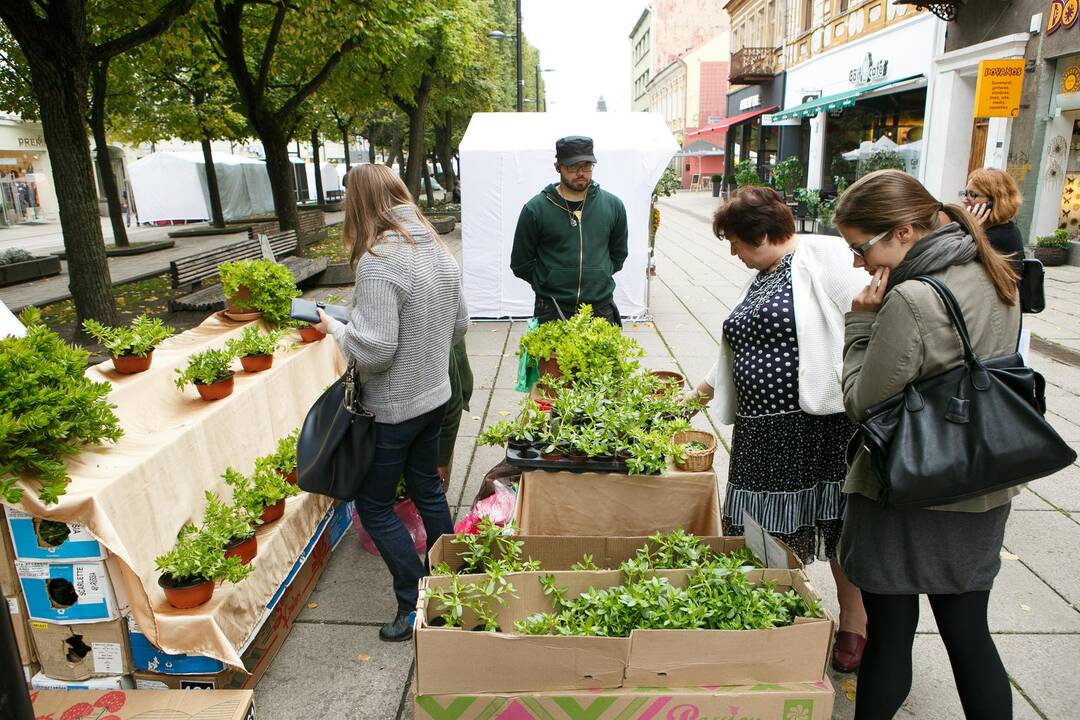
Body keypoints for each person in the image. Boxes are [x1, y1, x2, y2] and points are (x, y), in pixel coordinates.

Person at [834, 169, 1020, 719]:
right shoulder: (996, 270)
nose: (858, 264)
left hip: (908, 488)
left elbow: (863, 402)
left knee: (891, 636)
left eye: (861, 248)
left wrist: (860, 326)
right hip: (980, 482)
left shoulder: (910, 297)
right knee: (969, 636)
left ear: (906, 231)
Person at [686, 186, 869, 672]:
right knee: (759, 528)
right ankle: (774, 618)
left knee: (833, 522)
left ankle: (855, 622)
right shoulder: (765, 276)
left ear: (764, 235)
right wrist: (689, 402)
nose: (733, 253)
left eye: (735, 242)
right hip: (761, 433)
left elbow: (865, 317)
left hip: (815, 426)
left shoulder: (824, 256)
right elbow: (730, 355)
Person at [312, 163, 469, 643]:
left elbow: (375, 352)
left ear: (358, 205)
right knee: (427, 491)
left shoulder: (379, 261)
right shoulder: (438, 250)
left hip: (395, 409)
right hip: (435, 397)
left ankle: (412, 601)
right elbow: (459, 324)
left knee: (375, 504)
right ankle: (452, 587)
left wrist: (335, 327)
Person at [511, 136, 628, 326]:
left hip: (599, 308)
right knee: (552, 358)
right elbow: (520, 263)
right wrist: (549, 279)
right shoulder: (536, 209)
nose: (581, 173)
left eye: (587, 166)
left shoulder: (613, 206)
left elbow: (619, 255)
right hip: (551, 309)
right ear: (558, 167)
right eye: (573, 167)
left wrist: (599, 274)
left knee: (600, 357)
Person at [961, 168, 1025, 263]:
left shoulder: (997, 237)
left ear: (994, 202)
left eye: (972, 194)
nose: (965, 200)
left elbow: (949, 257)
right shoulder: (1006, 229)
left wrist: (971, 228)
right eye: (965, 193)